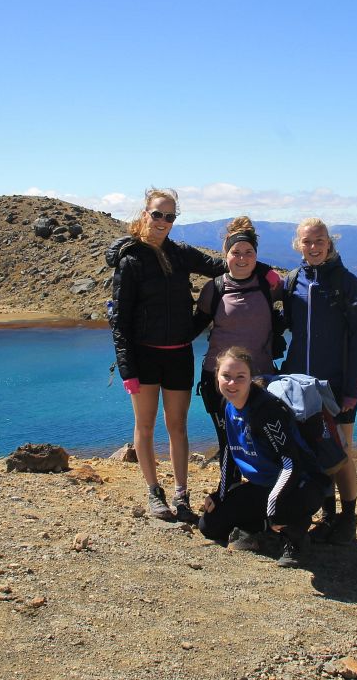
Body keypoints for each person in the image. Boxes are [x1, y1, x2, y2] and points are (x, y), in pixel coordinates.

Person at [105, 188, 225, 522]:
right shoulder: (130, 261)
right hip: (143, 357)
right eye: (157, 214)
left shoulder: (181, 254)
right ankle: (153, 492)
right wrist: (127, 368)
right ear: (145, 213)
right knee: (144, 426)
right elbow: (120, 321)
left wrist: (256, 266)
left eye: (170, 216)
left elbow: (220, 267)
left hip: (179, 355)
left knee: (178, 427)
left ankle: (181, 495)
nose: (162, 221)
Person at [198, 346, 329, 567]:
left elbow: (291, 464)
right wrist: (220, 496)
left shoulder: (265, 411)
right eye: (226, 376)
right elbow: (231, 451)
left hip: (302, 484)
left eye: (240, 377)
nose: (232, 383)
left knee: (280, 512)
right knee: (210, 526)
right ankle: (267, 526)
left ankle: (295, 539)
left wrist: (273, 505)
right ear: (216, 377)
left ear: (251, 378)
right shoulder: (227, 406)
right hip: (265, 484)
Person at [281, 217, 357, 545]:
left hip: (336, 387)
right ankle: (327, 515)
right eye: (307, 242)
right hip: (298, 386)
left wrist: (352, 391)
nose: (314, 247)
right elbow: (284, 326)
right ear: (298, 245)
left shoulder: (348, 284)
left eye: (319, 241)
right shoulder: (292, 282)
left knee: (341, 452)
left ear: (330, 242)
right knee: (312, 451)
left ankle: (348, 518)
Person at [193, 216, 283, 433]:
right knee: (228, 443)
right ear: (226, 255)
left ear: (256, 255)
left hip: (261, 378)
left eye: (248, 252)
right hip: (220, 380)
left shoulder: (269, 286)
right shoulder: (213, 289)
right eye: (236, 252)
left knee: (264, 443)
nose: (242, 258)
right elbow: (192, 329)